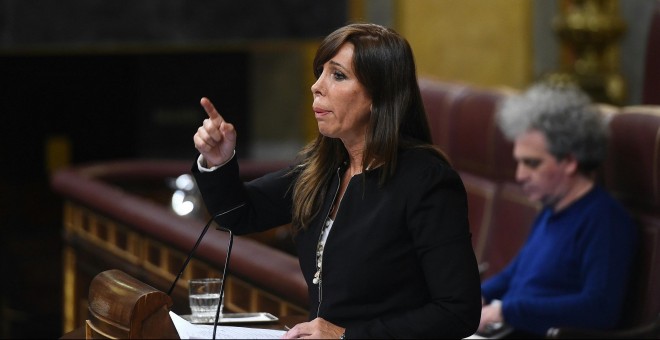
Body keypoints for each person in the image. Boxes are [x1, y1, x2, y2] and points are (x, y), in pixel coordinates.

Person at [191, 23, 482, 339]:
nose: (316, 87)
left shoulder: (427, 181)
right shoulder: (322, 167)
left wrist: (347, 336)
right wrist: (218, 162)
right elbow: (238, 214)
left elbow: (457, 311)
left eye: (337, 75)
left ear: (380, 94)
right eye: (320, 73)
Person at [477, 79, 638, 338]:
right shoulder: (550, 210)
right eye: (518, 163)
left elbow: (600, 309)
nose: (520, 175)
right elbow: (515, 275)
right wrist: (477, 295)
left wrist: (507, 311)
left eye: (532, 163)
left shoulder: (605, 220)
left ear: (570, 162)